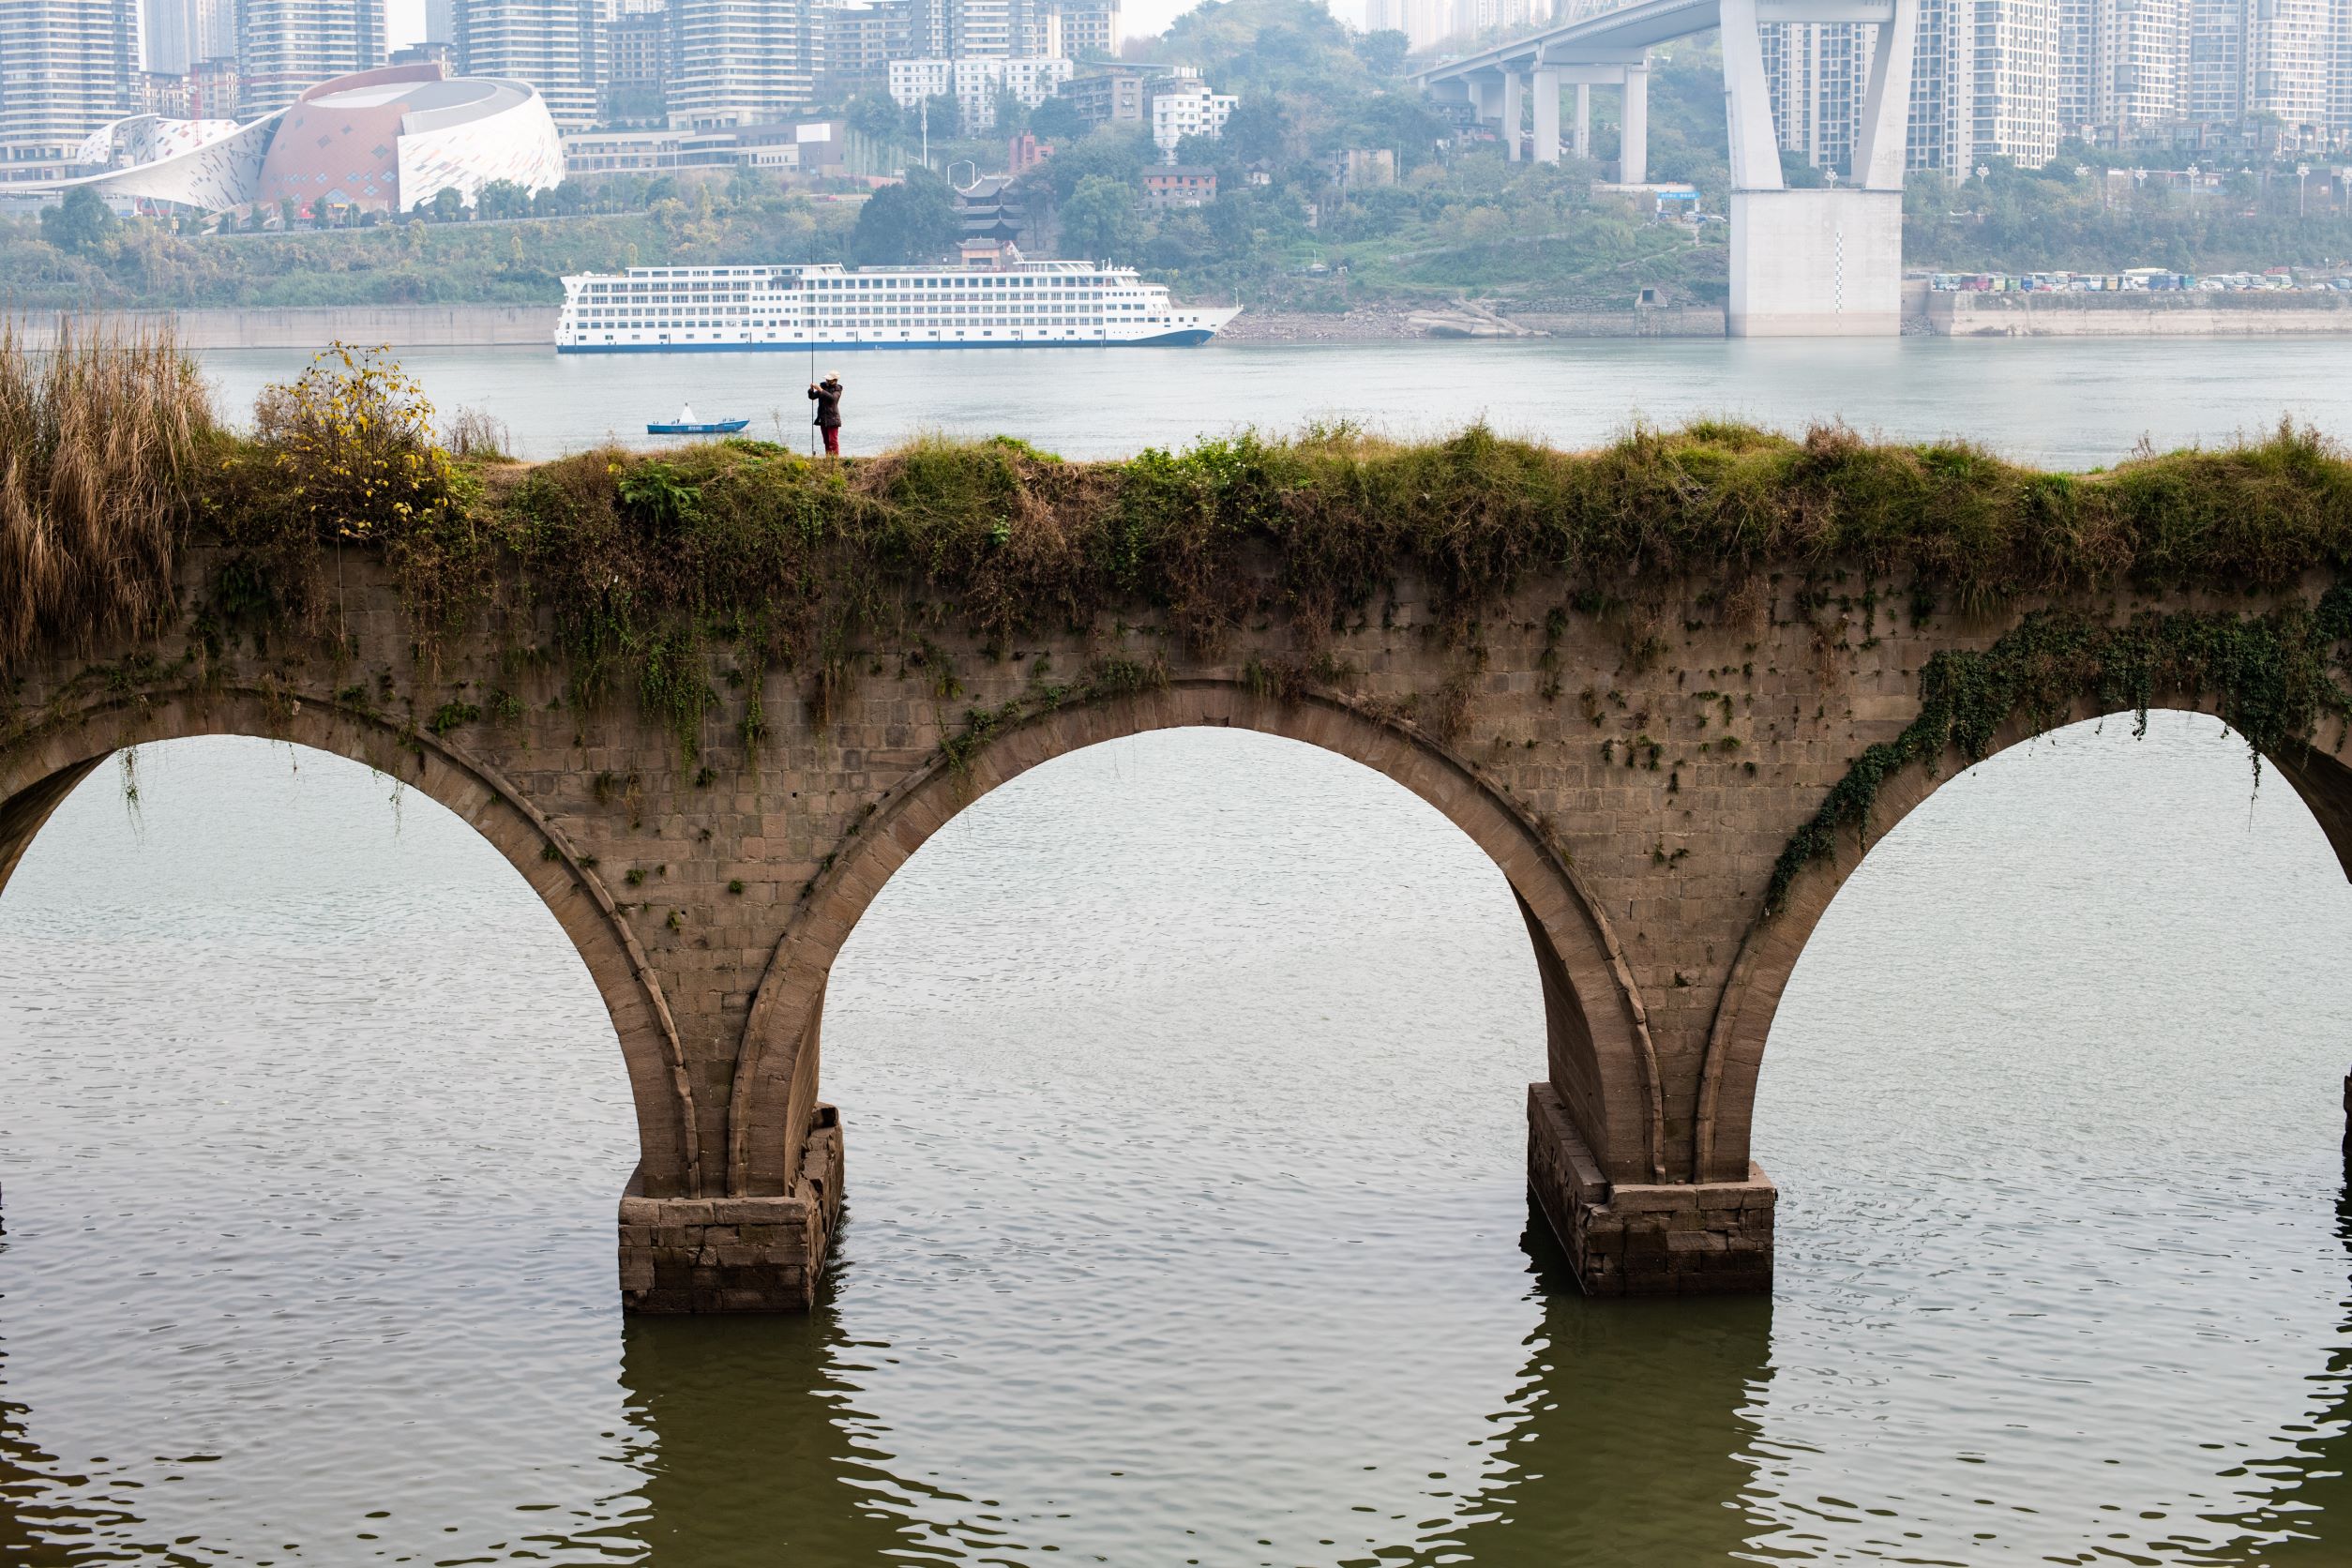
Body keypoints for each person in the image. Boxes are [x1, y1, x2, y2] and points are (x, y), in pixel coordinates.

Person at [807, 374, 843, 455]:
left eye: (829, 379)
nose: (827, 380)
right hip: (823, 418)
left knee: (833, 441)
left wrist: (820, 390)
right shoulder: (823, 387)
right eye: (827, 379)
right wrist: (811, 390)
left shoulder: (837, 390)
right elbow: (812, 397)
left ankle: (835, 460)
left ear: (835, 380)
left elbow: (832, 399)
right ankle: (828, 458)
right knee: (826, 441)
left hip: (833, 419)